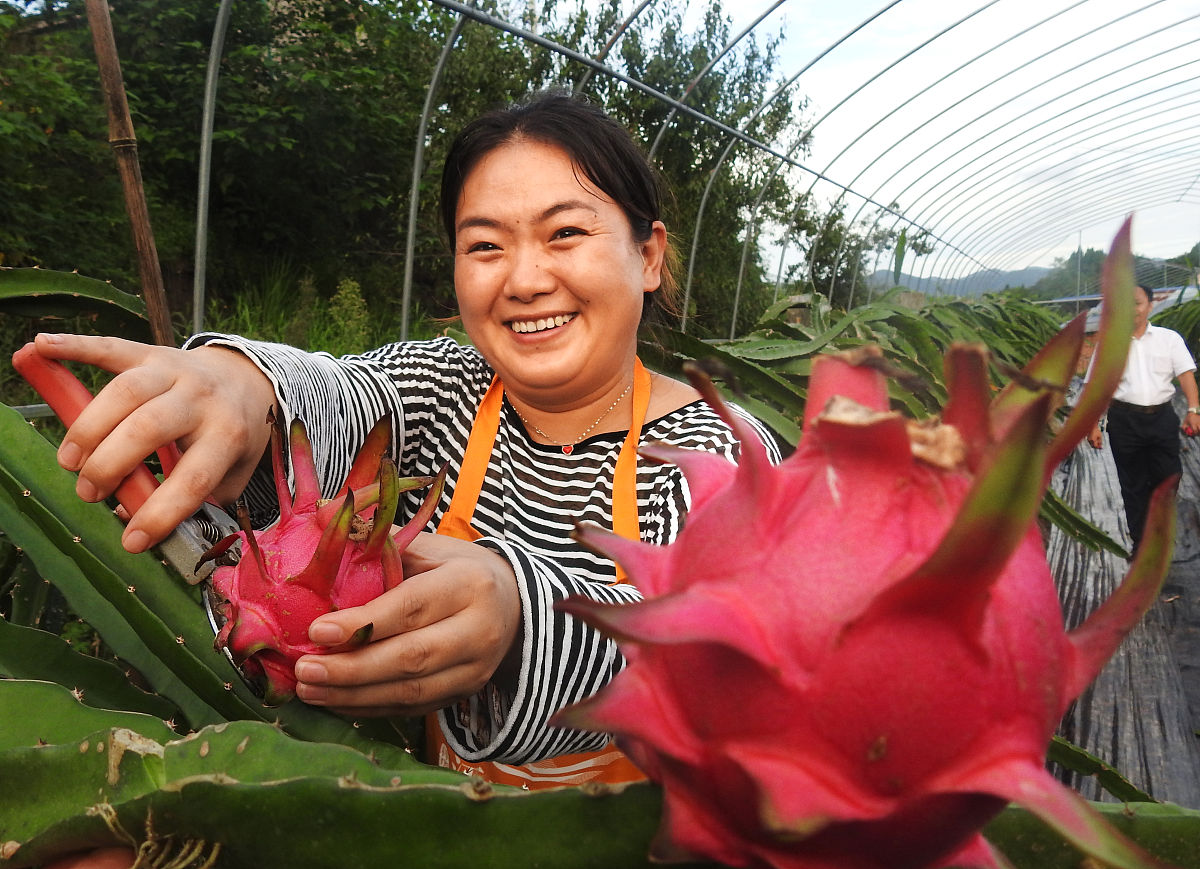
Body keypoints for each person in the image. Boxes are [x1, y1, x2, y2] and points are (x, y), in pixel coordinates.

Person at [31, 92, 780, 791]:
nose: (524, 280)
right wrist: (241, 386)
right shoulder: (446, 388)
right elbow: (336, 391)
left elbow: (715, 648)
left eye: (565, 233)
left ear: (648, 256)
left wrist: (521, 619)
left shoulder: (719, 455)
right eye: (484, 245)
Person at [1086, 282, 1200, 553]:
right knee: (1132, 484)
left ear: (1150, 305)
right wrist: (1093, 424)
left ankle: (1160, 529)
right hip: (1124, 420)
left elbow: (1185, 374)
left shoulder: (1168, 339)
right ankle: (1141, 544)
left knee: (1169, 476)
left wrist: (1193, 409)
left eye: (1137, 303)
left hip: (1162, 418)